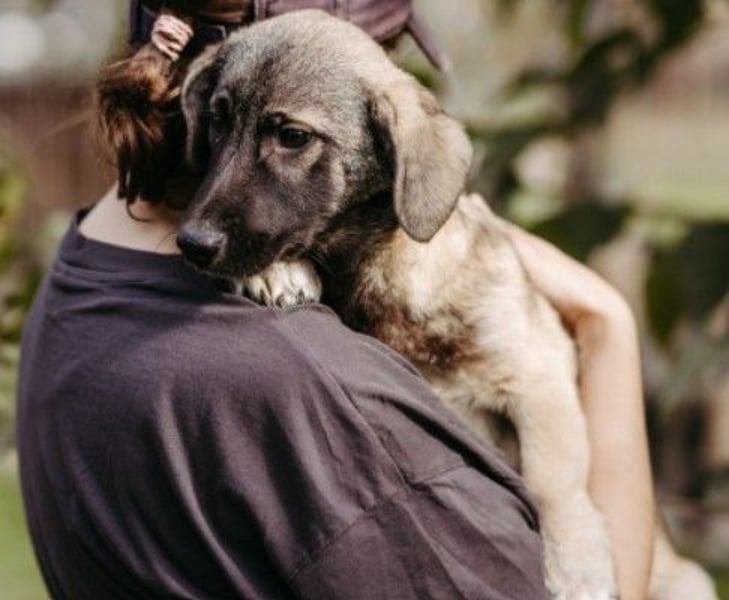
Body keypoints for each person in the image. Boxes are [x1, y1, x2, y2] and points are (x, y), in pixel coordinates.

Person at [17, 1, 654, 599]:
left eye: (290, 138)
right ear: (204, 93)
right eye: (224, 124)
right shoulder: (325, 393)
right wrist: (609, 327)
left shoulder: (83, 273)